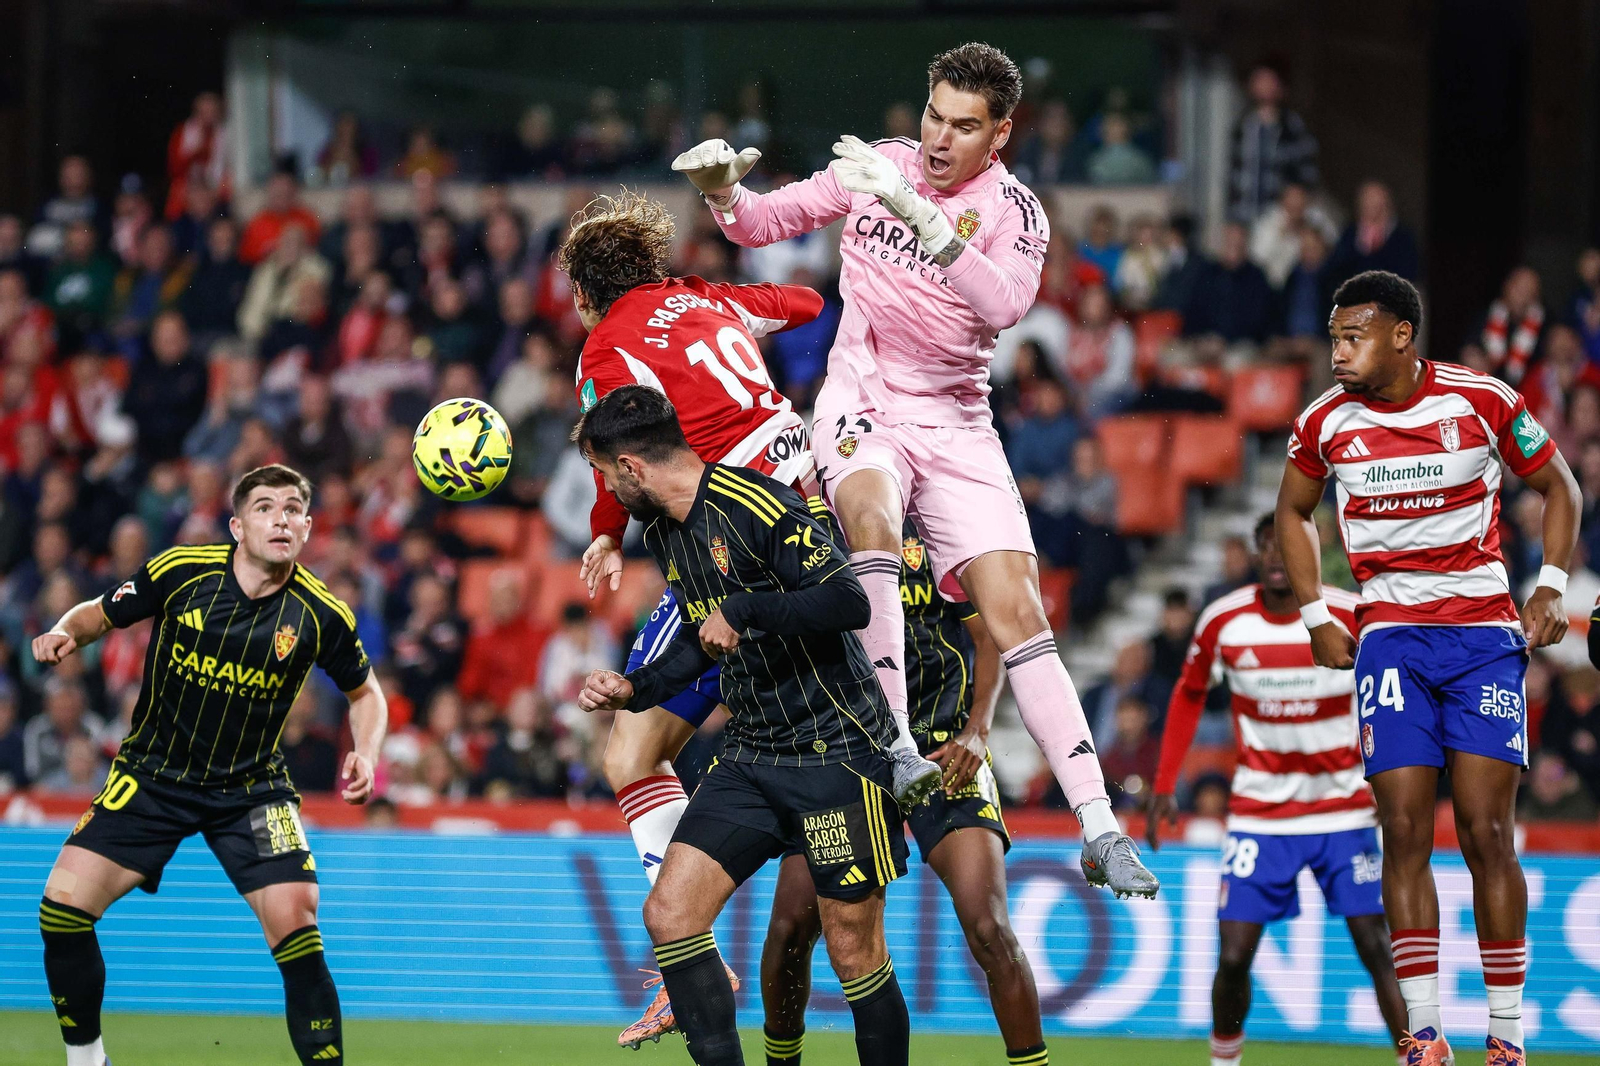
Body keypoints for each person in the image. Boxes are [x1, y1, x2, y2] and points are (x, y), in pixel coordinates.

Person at [673, 41, 1156, 897]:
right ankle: (896, 747)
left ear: (999, 133)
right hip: (863, 404)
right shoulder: (879, 165)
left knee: (1018, 608)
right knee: (871, 522)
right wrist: (722, 192)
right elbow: (762, 223)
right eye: (934, 114)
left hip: (959, 423)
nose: (938, 139)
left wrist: (924, 218)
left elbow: (1006, 304)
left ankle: (1098, 823)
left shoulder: (1015, 209)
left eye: (963, 126)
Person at [555, 189, 928, 1046]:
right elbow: (804, 305)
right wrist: (736, 333)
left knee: (628, 749)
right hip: (810, 501)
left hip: (739, 535)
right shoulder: (708, 297)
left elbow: (622, 444)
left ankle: (686, 960)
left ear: (585, 292)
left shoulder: (607, 348)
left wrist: (606, 533)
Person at [1275, 271, 1581, 1066]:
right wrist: (1316, 613)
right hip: (1391, 642)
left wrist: (1550, 586)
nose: (1338, 352)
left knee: (1486, 832)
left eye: (1354, 337)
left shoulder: (1479, 400)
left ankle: (1508, 1036)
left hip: (1481, 636)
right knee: (1404, 829)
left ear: (1401, 336)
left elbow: (1559, 485)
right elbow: (1291, 511)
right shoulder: (1322, 424)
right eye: (1335, 337)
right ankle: (1424, 1032)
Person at [575, 387, 911, 1066]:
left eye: (608, 475)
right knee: (670, 915)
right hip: (752, 756)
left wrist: (750, 608)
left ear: (633, 468)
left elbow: (849, 601)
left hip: (836, 752)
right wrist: (635, 688)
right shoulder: (667, 535)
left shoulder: (756, 504)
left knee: (853, 952)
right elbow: (704, 641)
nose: (608, 491)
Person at [30, 463, 387, 1066]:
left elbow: (367, 694)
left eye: (295, 509)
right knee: (61, 912)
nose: (282, 518)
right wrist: (65, 631)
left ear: (306, 528)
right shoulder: (181, 571)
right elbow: (100, 610)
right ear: (237, 525)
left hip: (252, 790)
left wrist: (367, 754)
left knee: (297, 921)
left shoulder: (322, 613)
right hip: (151, 776)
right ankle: (87, 1059)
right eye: (267, 507)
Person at [760, 518, 1046, 1066]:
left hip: (943, 751)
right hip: (847, 753)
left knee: (989, 927)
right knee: (790, 928)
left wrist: (978, 731)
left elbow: (990, 637)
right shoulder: (808, 531)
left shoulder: (941, 530)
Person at [1147, 513, 1408, 1066]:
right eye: (1265, 546)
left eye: (1284, 545)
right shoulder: (1224, 621)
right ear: (1254, 554)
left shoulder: (1347, 615)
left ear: (1308, 553)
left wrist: (1393, 779)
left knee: (1376, 945)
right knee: (1235, 955)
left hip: (1344, 810)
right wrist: (1165, 782)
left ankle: (1418, 1059)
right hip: (1262, 815)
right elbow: (1189, 691)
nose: (1274, 556)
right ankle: (1224, 1060)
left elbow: (1389, 696)